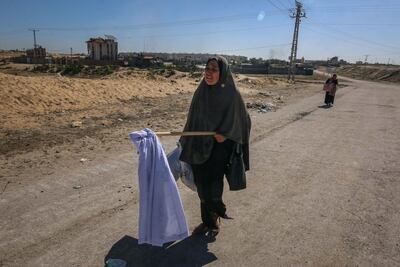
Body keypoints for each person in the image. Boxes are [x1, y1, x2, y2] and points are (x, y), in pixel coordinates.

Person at [179, 56, 251, 237]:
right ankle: (209, 219)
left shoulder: (231, 94)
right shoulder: (201, 90)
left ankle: (214, 218)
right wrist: (185, 140)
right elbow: (193, 117)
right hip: (199, 145)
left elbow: (243, 121)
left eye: (213, 69)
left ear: (223, 72)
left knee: (213, 184)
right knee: (201, 183)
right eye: (207, 68)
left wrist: (225, 133)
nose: (208, 73)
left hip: (220, 148)